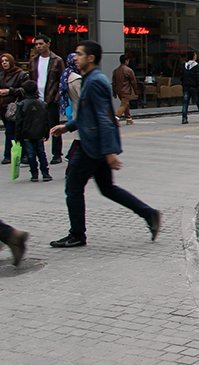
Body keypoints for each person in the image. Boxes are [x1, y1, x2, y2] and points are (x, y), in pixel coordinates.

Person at [49, 40, 161, 248]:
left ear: (90, 58)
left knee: (73, 189)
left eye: (79, 54)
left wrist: (109, 151)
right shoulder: (91, 79)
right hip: (95, 143)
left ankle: (76, 235)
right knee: (107, 188)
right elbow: (87, 114)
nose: (75, 57)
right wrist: (68, 127)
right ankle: (150, 214)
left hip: (91, 145)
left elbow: (104, 117)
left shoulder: (95, 81)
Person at [30, 34, 66, 163]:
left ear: (48, 44)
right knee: (36, 127)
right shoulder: (33, 60)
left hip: (51, 99)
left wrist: (57, 98)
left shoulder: (57, 60)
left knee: (54, 127)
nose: (38, 46)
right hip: (36, 98)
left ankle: (57, 154)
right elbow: (31, 79)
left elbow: (62, 80)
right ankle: (35, 153)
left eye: (41, 43)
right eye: (36, 44)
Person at [13, 80, 52, 182]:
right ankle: (45, 173)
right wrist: (46, 133)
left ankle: (34, 174)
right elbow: (46, 120)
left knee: (30, 155)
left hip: (26, 134)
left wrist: (17, 136)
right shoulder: (43, 104)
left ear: (23, 91)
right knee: (41, 153)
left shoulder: (21, 105)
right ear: (36, 90)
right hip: (39, 133)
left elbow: (18, 122)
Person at [0, 53, 28, 164]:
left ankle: (12, 155)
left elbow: (25, 89)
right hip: (3, 108)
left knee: (14, 131)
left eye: (6, 60)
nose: (4, 63)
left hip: (15, 107)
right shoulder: (1, 75)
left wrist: (10, 91)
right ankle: (13, 154)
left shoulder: (20, 74)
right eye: (2, 61)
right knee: (10, 131)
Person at [180, 50, 199, 124]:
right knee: (198, 102)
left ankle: (184, 118)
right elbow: (198, 77)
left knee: (185, 103)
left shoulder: (185, 65)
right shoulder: (196, 66)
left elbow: (181, 76)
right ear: (193, 56)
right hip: (194, 87)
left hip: (186, 86)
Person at [112, 54, 137, 125]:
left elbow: (114, 83)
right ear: (126, 61)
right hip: (126, 91)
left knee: (125, 104)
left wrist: (114, 92)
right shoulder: (129, 70)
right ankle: (116, 117)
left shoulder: (115, 71)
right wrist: (136, 92)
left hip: (118, 91)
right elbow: (133, 82)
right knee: (124, 104)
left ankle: (129, 118)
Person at [59, 52, 82, 122]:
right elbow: (84, 98)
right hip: (80, 115)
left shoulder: (66, 74)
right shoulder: (77, 78)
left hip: (73, 112)